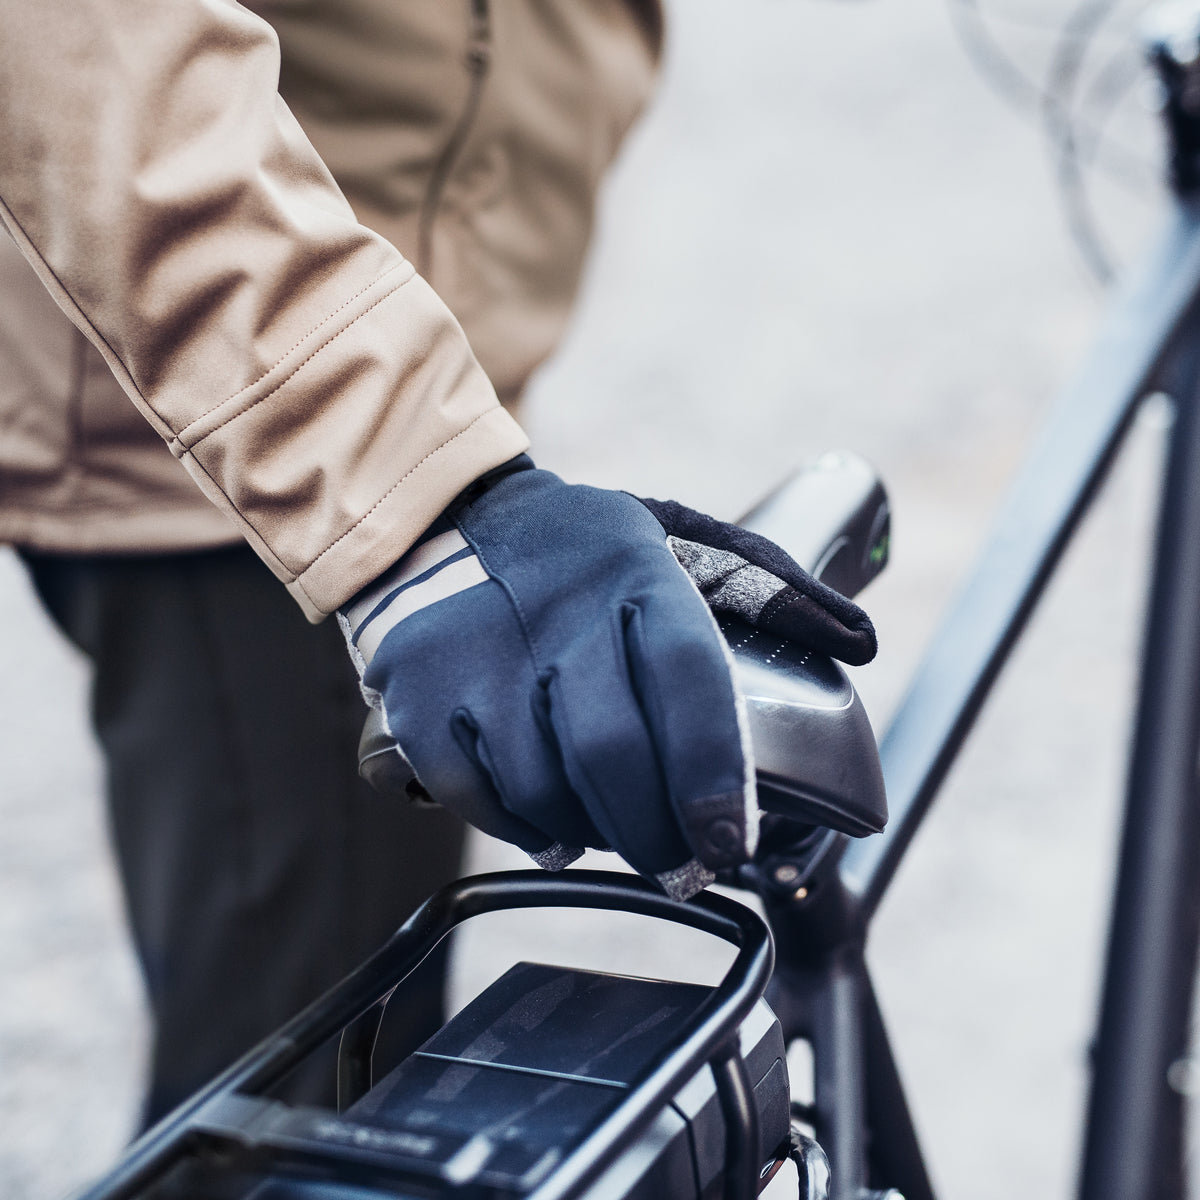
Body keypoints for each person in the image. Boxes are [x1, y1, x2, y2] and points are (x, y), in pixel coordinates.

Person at [0, 0, 872, 1127]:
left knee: (350, 1074)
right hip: (236, 440)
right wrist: (413, 486)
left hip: (401, 348)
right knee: (297, 1121)